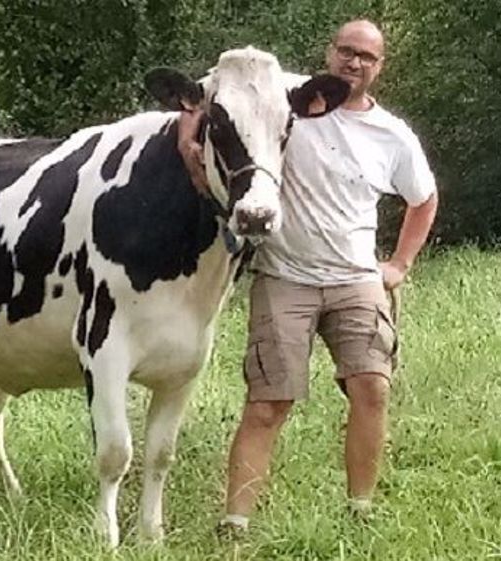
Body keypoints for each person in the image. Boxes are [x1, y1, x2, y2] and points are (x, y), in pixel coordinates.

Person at [176, 19, 439, 531]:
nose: (354, 62)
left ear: (380, 66)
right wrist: (190, 138)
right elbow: (209, 96)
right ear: (330, 52)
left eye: (367, 56)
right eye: (346, 51)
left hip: (357, 277)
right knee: (268, 402)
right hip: (285, 276)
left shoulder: (392, 135)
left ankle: (360, 511)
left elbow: (423, 199)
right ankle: (236, 524)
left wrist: (399, 265)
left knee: (372, 388)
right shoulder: (285, 96)